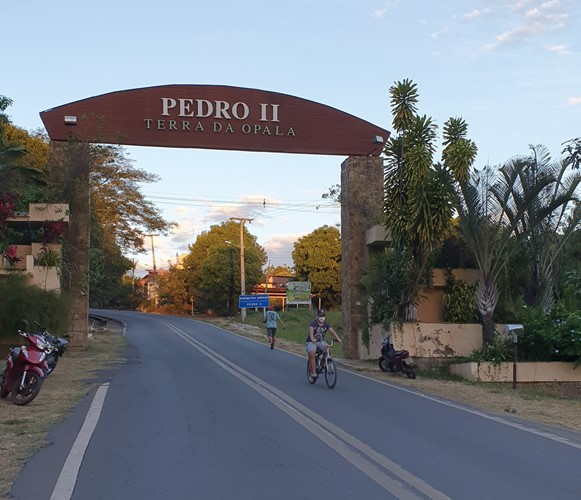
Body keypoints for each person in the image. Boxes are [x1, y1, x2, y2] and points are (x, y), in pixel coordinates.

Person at [305, 309, 341, 378]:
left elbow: (332, 332)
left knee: (328, 350)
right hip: (311, 341)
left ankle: (323, 363)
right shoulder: (313, 324)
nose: (322, 318)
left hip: (320, 341)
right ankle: (314, 373)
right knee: (312, 353)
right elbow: (311, 333)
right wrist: (312, 339)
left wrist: (338, 338)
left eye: (323, 316)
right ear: (317, 316)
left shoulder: (326, 324)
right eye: (320, 316)